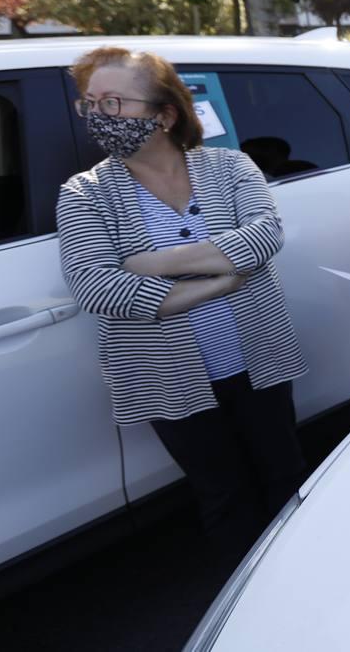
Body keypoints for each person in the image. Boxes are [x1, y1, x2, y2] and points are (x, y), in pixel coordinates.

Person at [56, 46, 308, 569]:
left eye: (114, 103)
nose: (99, 116)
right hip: (166, 377)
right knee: (224, 495)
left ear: (165, 114)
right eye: (90, 104)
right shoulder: (84, 194)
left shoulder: (229, 166)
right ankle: (247, 606)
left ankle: (304, 579)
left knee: (286, 477)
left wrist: (147, 262)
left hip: (255, 359)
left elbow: (264, 236)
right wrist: (216, 284)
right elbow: (93, 285)